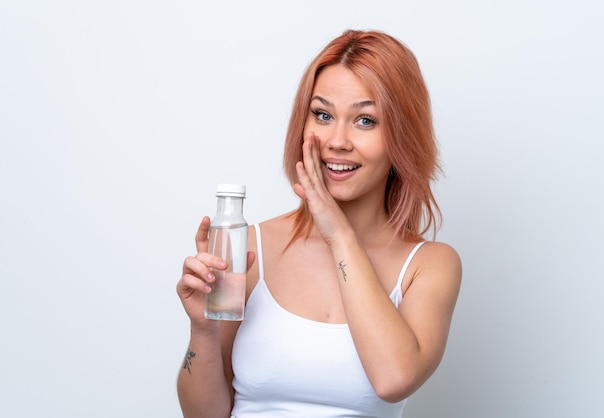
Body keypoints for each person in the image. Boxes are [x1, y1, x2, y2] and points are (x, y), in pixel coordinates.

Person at [175, 29, 462, 418]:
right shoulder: (250, 246)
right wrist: (203, 331)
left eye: (365, 120)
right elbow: (203, 415)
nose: (337, 141)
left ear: (402, 137)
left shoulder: (430, 265)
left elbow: (394, 379)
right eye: (323, 115)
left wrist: (338, 234)